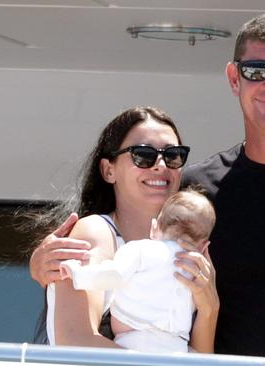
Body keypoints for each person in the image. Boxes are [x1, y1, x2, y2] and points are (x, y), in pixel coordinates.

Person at [30, 12, 265, 364]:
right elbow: (124, 244)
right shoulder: (195, 193)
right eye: (257, 70)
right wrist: (43, 265)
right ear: (235, 78)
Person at [31, 106, 219, 352]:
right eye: (143, 154)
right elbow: (74, 340)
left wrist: (209, 310)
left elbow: (202, 358)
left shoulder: (193, 248)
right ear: (109, 170)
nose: (160, 165)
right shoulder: (95, 232)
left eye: (173, 155)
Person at [58, 189, 216, 353]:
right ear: (204, 246)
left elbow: (112, 275)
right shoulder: (197, 273)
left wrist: (77, 273)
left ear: (154, 228)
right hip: (178, 350)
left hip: (134, 344)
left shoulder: (140, 250)